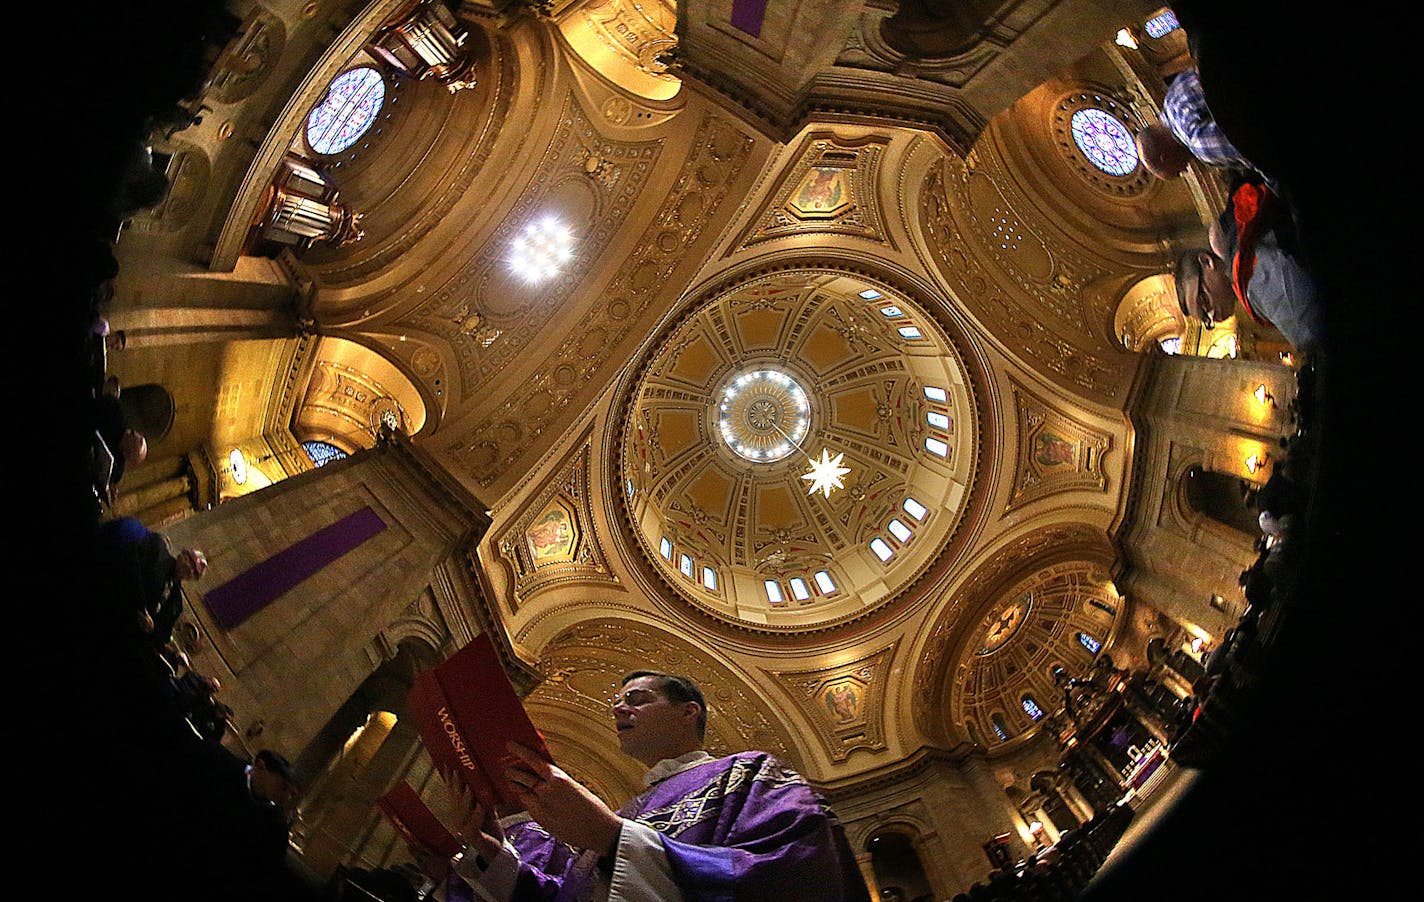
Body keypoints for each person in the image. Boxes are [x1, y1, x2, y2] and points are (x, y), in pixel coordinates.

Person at [440, 670, 870, 901]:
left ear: (689, 713)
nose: (618, 707)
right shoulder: (629, 809)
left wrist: (611, 838)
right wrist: (493, 854)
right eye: (618, 701)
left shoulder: (751, 774)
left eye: (638, 699)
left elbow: (794, 872)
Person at [1136, 66, 1257, 180]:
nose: (1185, 169)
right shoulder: (1174, 92)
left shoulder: (1200, 145)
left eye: (1178, 172)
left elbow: (1261, 149)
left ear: (1165, 158)